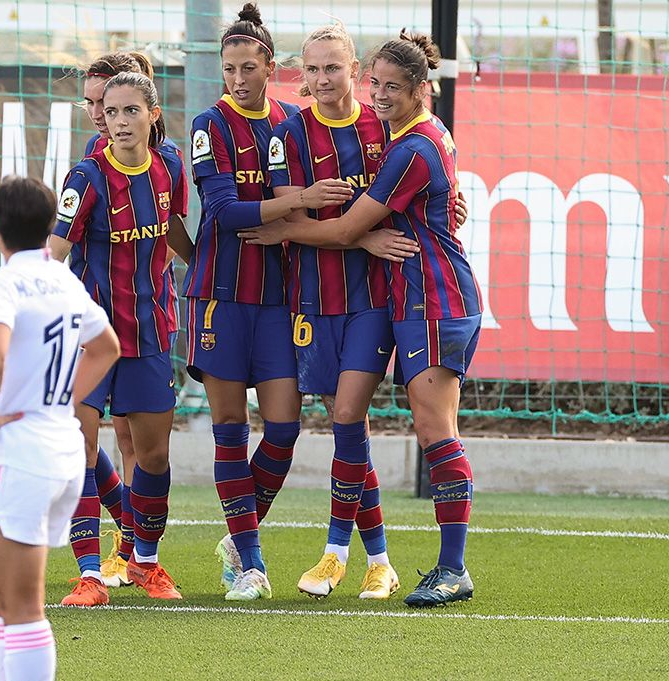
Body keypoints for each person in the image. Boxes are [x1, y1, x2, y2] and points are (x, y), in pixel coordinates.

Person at [241, 29, 481, 607]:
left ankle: (450, 567)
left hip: (433, 299)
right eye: (378, 84)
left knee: (432, 430)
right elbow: (440, 204)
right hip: (406, 301)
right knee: (365, 422)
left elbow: (350, 229)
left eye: (392, 87)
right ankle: (377, 559)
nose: (381, 94)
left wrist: (282, 228)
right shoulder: (416, 137)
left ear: (422, 89)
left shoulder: (409, 149)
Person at [183, 2, 354, 601]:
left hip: (281, 298)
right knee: (230, 427)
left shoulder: (291, 121)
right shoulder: (209, 124)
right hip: (221, 296)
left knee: (284, 426)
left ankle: (237, 531)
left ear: (271, 66)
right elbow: (224, 213)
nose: (236, 78)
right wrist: (295, 201)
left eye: (247, 67)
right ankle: (250, 563)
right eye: (228, 68)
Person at [264, 21, 421, 601]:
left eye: (334, 67)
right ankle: (380, 561)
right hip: (312, 298)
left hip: (373, 299)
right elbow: (288, 223)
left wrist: (447, 200)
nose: (323, 78)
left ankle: (334, 554)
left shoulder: (385, 129)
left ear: (355, 71)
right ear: (301, 76)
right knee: (346, 423)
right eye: (312, 69)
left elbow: (429, 168)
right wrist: (362, 238)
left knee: (349, 415)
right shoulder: (291, 134)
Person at [0, 176, 120, 681]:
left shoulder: (0, 281)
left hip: (18, 454)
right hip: (62, 451)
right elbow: (107, 347)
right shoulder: (64, 279)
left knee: (22, 604)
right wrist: (60, 400)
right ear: (50, 225)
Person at [50, 71, 192, 604]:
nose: (120, 122)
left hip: (151, 330)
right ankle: (89, 575)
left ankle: (146, 564)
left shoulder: (171, 166)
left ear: (153, 114)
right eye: (111, 113)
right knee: (79, 450)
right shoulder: (86, 178)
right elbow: (54, 253)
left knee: (153, 457)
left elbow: (172, 225)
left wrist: (200, 267)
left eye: (131, 111)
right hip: (89, 338)